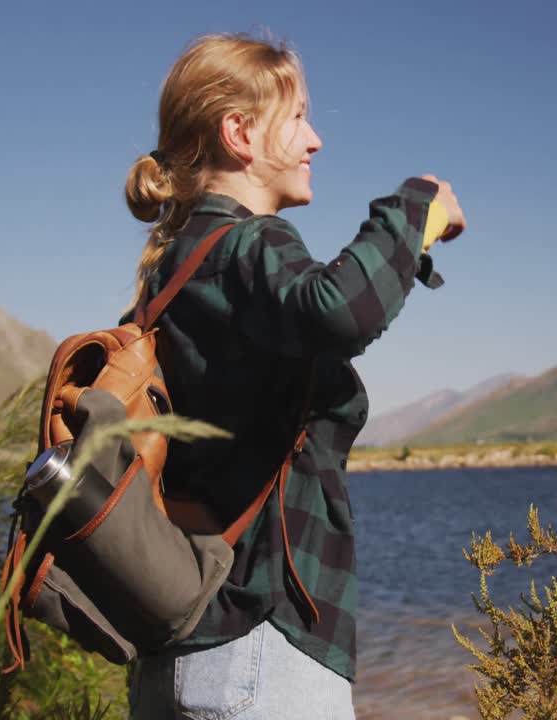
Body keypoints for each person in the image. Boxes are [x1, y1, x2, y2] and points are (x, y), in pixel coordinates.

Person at [120, 33, 464, 719]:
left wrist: (412, 253)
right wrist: (417, 204)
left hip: (178, 650)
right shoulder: (249, 244)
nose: (315, 141)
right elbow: (337, 311)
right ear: (240, 132)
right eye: (300, 116)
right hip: (259, 646)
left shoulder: (174, 271)